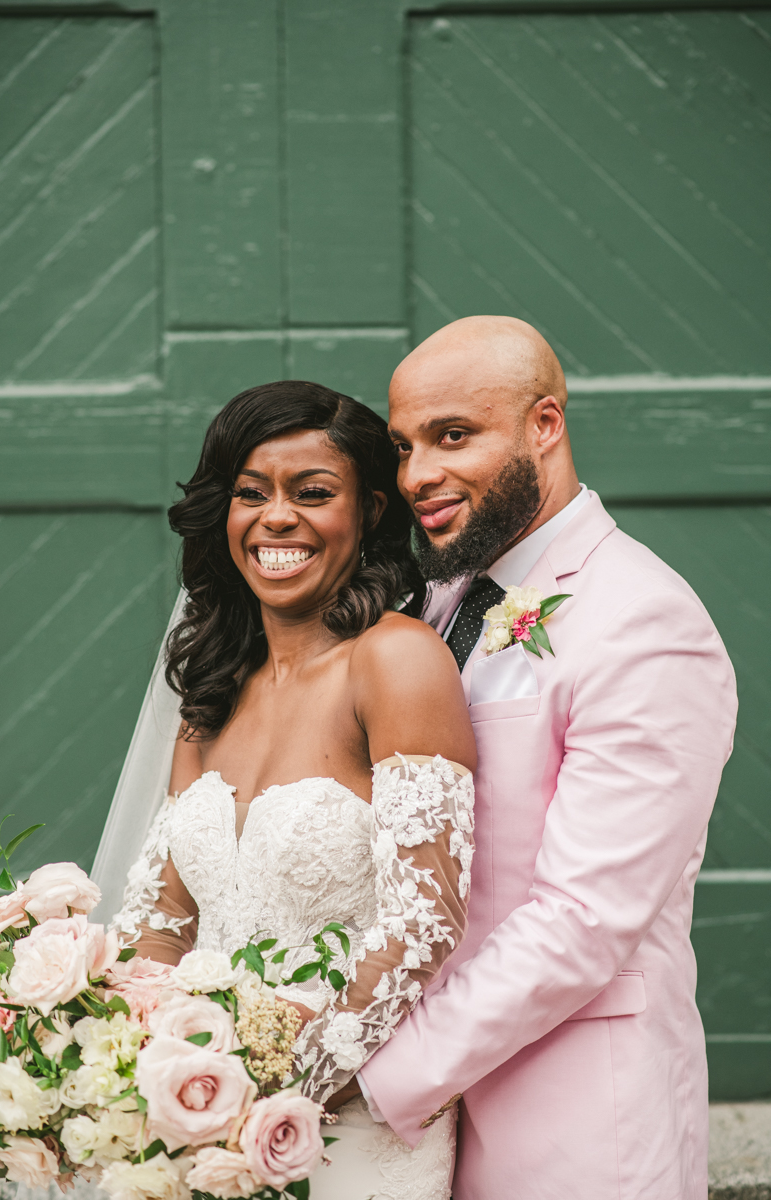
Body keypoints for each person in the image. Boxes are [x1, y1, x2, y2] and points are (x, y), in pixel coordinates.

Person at [357, 316, 739, 1200]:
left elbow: (582, 921)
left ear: (545, 425)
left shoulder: (643, 619)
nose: (417, 475)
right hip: (423, 1132)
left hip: (576, 1124)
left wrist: (373, 1075)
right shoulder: (435, 603)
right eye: (404, 445)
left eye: (454, 436)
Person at [94, 380, 477, 1200]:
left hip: (350, 1123)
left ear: (371, 510)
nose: (276, 518)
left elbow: (425, 923)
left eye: (312, 493)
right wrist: (132, 1068)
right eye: (250, 493)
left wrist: (277, 1091)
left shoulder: (397, 661)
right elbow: (160, 929)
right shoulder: (210, 693)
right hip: (203, 1121)